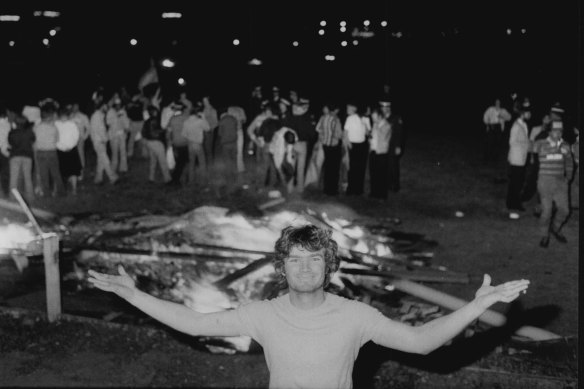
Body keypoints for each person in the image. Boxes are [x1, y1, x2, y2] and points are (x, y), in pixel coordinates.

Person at [88, 224, 529, 389]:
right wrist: (132, 294)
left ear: (328, 266)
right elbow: (193, 322)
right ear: (282, 268)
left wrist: (477, 306)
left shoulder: (356, 315)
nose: (303, 269)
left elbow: (420, 343)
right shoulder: (262, 314)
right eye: (294, 260)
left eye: (313, 259)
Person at [532, 119, 574, 248]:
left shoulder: (565, 145)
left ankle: (555, 228)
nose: (559, 133)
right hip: (545, 182)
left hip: (560, 182)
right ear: (549, 131)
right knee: (547, 211)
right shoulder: (540, 144)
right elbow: (529, 148)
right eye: (556, 130)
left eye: (561, 130)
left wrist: (568, 177)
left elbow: (569, 163)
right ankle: (545, 235)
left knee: (565, 210)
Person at [33, 100, 66, 197]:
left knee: (43, 174)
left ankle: (46, 193)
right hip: (51, 152)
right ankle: (61, 192)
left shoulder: (36, 128)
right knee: (56, 173)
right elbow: (57, 139)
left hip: (41, 153)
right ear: (48, 118)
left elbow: (33, 140)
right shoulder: (53, 128)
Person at [506, 100, 531, 219]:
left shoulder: (524, 125)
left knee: (517, 181)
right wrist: (524, 144)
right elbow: (512, 142)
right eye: (528, 112)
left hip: (522, 157)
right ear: (522, 113)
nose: (529, 114)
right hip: (516, 157)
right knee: (517, 181)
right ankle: (514, 203)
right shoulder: (516, 126)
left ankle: (511, 202)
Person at [315, 103, 343, 195]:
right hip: (334, 145)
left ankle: (326, 189)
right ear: (336, 110)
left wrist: (324, 135)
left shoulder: (323, 117)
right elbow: (338, 134)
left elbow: (317, 128)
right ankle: (333, 190)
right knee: (334, 169)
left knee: (327, 167)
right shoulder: (336, 119)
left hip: (325, 145)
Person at [89, 101, 118, 185]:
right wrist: (105, 138)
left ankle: (98, 178)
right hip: (99, 141)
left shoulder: (100, 115)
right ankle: (113, 177)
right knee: (105, 160)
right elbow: (98, 130)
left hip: (101, 141)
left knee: (100, 161)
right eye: (106, 106)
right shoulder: (96, 116)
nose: (107, 108)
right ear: (102, 106)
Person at [55, 106, 82, 195]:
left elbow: (76, 137)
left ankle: (74, 189)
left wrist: (70, 146)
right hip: (60, 150)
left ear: (67, 115)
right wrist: (61, 147)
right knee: (61, 171)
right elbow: (55, 138)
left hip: (71, 150)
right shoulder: (56, 124)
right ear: (59, 116)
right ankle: (61, 189)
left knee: (73, 171)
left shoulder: (72, 124)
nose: (63, 118)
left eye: (65, 116)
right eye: (61, 116)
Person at [8, 114, 35, 202]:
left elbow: (10, 143)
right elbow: (33, 140)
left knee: (14, 177)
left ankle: (12, 197)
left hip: (15, 156)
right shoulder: (30, 132)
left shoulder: (12, 133)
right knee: (27, 177)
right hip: (27, 156)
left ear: (15, 123)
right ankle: (30, 197)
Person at [343, 102, 369, 195]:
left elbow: (367, 133)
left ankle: (358, 189)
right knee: (352, 167)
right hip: (352, 145)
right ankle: (351, 189)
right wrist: (347, 143)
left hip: (362, 145)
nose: (347, 109)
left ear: (354, 108)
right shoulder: (349, 118)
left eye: (348, 108)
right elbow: (345, 132)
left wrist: (366, 127)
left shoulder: (364, 118)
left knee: (360, 167)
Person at [141, 105, 171, 184]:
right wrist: (164, 130)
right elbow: (155, 133)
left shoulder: (147, 121)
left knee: (153, 161)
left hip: (149, 143)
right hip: (156, 142)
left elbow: (143, 132)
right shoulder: (154, 120)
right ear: (153, 112)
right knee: (163, 161)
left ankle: (151, 178)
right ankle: (167, 179)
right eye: (156, 111)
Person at [182, 104, 210, 183]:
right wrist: (203, 117)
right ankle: (203, 181)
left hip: (190, 144)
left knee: (191, 163)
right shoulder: (200, 121)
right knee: (202, 163)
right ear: (197, 113)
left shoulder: (186, 121)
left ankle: (191, 181)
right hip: (198, 144)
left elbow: (184, 134)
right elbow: (208, 129)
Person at [380, 100, 404, 192]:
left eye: (385, 107)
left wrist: (398, 146)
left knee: (393, 166)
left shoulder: (396, 118)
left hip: (393, 145)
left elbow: (399, 133)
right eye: (382, 107)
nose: (384, 109)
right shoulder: (381, 117)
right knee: (385, 165)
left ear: (389, 108)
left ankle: (395, 185)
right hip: (383, 146)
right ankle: (387, 184)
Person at [368, 108, 392, 200]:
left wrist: (376, 127)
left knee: (381, 175)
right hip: (373, 151)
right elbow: (373, 135)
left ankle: (382, 195)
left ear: (380, 116)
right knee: (373, 173)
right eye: (372, 117)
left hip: (381, 153)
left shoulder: (387, 125)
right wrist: (370, 137)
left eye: (374, 117)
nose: (373, 119)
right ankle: (373, 192)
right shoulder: (375, 124)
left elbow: (383, 137)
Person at [482, 98, 511, 166]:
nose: (497, 103)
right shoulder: (490, 109)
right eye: (496, 102)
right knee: (489, 143)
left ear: (500, 103)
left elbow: (509, 118)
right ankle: (486, 159)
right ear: (494, 102)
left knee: (497, 144)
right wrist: (488, 124)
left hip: (499, 128)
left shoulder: (503, 110)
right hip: (492, 127)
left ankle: (495, 159)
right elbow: (485, 117)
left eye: (499, 102)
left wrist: (503, 116)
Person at [106, 97, 130, 174]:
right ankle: (113, 168)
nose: (118, 106)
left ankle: (123, 168)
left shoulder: (123, 111)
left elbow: (126, 122)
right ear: (114, 105)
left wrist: (126, 130)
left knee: (123, 152)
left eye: (119, 105)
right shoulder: (110, 112)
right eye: (117, 105)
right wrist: (116, 117)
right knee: (114, 152)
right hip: (113, 135)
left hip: (122, 134)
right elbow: (108, 123)